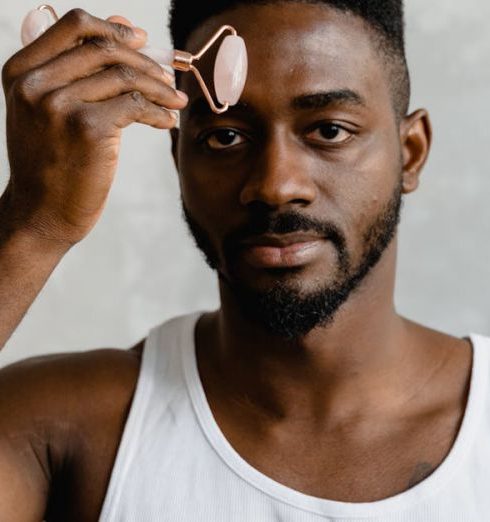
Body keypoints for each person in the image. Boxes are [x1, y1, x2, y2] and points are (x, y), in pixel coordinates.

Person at [0, 0, 487, 520]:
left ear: (410, 152)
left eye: (329, 131)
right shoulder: (59, 427)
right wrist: (33, 223)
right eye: (224, 137)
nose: (276, 186)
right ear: (178, 157)